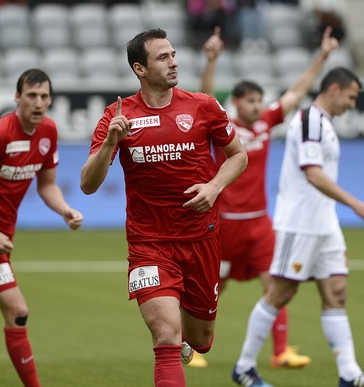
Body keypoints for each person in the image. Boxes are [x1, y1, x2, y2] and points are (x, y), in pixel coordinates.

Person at [80, 28, 247, 386]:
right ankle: (174, 342)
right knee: (166, 336)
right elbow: (87, 185)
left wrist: (214, 186)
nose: (173, 62)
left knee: (200, 340)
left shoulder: (202, 106)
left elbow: (238, 156)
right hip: (149, 245)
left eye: (173, 55)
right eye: (163, 57)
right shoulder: (118, 115)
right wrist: (111, 143)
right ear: (140, 68)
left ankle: (192, 338)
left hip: (201, 239)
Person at [231, 67, 364, 387]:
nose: (352, 104)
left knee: (336, 291)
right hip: (300, 224)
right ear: (334, 89)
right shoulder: (309, 121)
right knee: (280, 292)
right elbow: (313, 173)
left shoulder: (325, 124)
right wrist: (356, 204)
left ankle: (350, 374)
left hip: (325, 223)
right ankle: (244, 367)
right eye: (351, 96)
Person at [188, 26, 339, 371]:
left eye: (260, 101)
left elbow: (297, 92)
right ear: (237, 102)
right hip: (223, 225)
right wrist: (211, 60)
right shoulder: (221, 125)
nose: (258, 107)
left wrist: (322, 56)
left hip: (259, 224)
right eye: (251, 101)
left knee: (277, 284)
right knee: (211, 288)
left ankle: (280, 351)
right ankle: (190, 345)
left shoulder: (266, 124)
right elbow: (205, 94)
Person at [0, 68, 84, 387]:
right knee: (17, 310)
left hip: (1, 238)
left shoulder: (48, 131)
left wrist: (65, 210)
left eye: (44, 96)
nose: (38, 103)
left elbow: (47, 185)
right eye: (32, 95)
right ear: (17, 97)